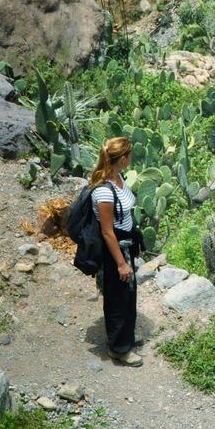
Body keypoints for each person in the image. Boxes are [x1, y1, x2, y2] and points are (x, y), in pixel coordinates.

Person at [89, 137, 144, 366]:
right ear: (123, 158)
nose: (131, 159)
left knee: (129, 294)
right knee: (117, 297)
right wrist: (121, 263)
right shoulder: (103, 192)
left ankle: (125, 338)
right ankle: (119, 349)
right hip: (115, 250)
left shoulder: (118, 177)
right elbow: (107, 231)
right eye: (129, 155)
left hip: (126, 244)